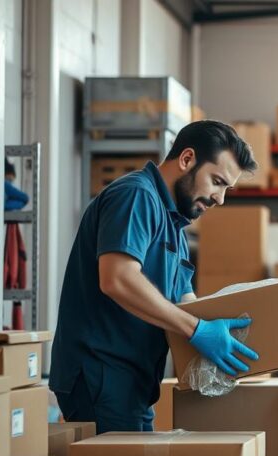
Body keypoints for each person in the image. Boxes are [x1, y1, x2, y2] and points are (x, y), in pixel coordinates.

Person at [51, 120, 262, 433]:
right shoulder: (136, 196)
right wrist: (198, 330)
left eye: (226, 189)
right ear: (187, 159)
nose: (220, 199)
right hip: (102, 375)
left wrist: (231, 334)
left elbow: (185, 301)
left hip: (132, 382)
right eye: (217, 181)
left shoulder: (174, 226)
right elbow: (117, 279)